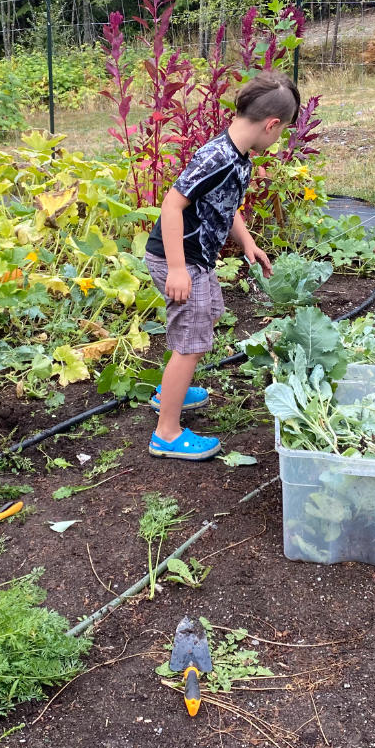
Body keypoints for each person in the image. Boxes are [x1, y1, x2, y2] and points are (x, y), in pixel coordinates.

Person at [144, 70, 301, 461]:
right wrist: (178, 269)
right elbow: (171, 204)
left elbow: (225, 207)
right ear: (271, 124)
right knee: (191, 341)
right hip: (179, 258)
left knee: (208, 313)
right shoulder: (217, 158)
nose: (278, 140)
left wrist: (248, 242)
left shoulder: (240, 157)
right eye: (281, 133)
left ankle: (170, 391)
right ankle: (166, 433)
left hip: (196, 258)